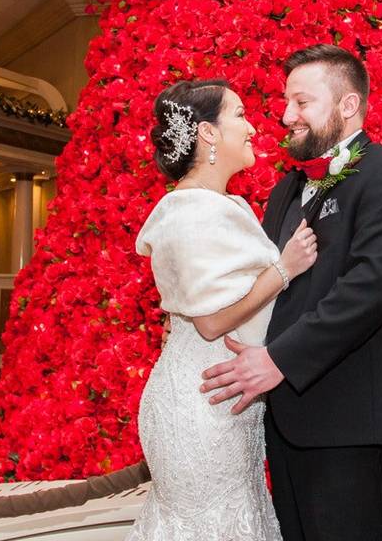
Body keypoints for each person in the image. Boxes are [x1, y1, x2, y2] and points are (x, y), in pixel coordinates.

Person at [201, 45, 382, 541]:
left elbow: (370, 288)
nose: (286, 116)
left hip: (349, 424)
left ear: (348, 106)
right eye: (287, 103)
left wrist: (278, 358)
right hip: (283, 418)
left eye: (301, 103)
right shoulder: (285, 189)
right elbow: (269, 281)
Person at [128, 79, 317, 540]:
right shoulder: (192, 211)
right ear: (208, 133)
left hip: (226, 397)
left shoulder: (219, 204)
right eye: (238, 114)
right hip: (201, 402)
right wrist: (284, 269)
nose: (252, 127)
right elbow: (210, 321)